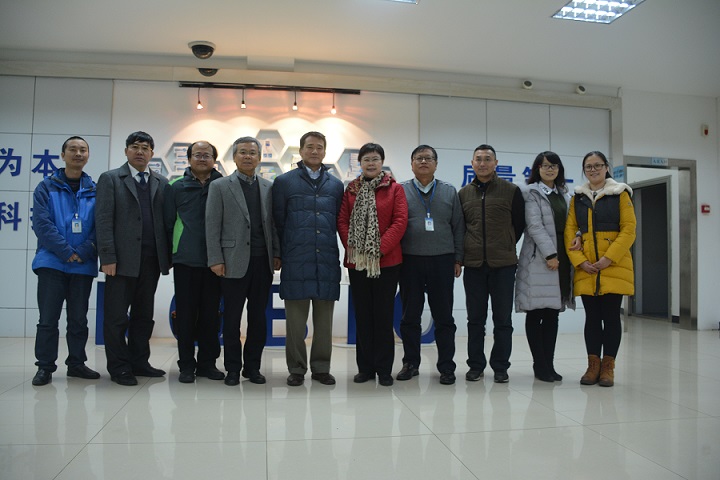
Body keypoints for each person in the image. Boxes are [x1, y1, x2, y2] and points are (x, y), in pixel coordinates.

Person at [96, 131, 171, 386]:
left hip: (150, 260)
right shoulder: (110, 179)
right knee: (117, 317)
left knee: (143, 316)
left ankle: (139, 362)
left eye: (145, 148)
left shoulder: (161, 181)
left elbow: (165, 223)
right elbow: (103, 220)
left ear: (152, 153)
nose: (140, 152)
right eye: (135, 147)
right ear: (126, 151)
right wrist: (107, 257)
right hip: (120, 261)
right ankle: (119, 367)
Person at [206, 136, 280, 386]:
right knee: (231, 319)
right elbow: (211, 225)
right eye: (243, 152)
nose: (248, 156)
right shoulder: (220, 186)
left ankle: (253, 368)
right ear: (234, 157)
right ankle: (232, 369)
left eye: (252, 153)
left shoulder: (268, 187)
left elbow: (273, 224)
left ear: (260, 157)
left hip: (262, 262)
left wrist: (276, 253)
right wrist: (215, 258)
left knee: (258, 318)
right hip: (231, 261)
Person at [272, 131, 344, 387]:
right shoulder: (284, 182)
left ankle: (322, 368)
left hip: (326, 260)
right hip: (296, 259)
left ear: (325, 151)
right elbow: (277, 221)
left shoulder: (336, 185)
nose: (315, 151)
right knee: (295, 322)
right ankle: (296, 368)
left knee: (324, 322)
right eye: (310, 147)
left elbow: (339, 222)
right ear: (301, 151)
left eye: (319, 147)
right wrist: (279, 254)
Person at [30, 136, 100, 386]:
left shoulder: (95, 189)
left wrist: (84, 250)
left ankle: (77, 363)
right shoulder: (45, 187)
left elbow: (101, 225)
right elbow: (41, 224)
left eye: (83, 150)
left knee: (79, 319)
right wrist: (64, 251)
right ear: (62, 155)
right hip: (52, 263)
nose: (78, 153)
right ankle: (45, 367)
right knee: (48, 319)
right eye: (73, 149)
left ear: (88, 156)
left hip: (82, 264)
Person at [338, 143, 408, 387]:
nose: (370, 163)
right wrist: (356, 248)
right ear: (360, 163)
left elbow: (400, 221)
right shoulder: (351, 190)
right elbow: (342, 220)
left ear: (382, 162)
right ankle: (365, 368)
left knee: (383, 316)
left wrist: (378, 249)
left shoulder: (395, 189)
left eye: (375, 159)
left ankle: (384, 369)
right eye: (366, 159)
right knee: (363, 315)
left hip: (386, 263)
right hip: (358, 263)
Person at [565, 151, 636, 387]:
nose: (593, 170)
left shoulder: (620, 194)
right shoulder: (578, 197)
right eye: (588, 166)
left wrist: (608, 258)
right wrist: (580, 261)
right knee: (592, 318)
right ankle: (592, 366)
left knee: (611, 317)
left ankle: (608, 367)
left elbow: (629, 230)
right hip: (587, 268)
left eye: (597, 165)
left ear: (606, 167)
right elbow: (570, 230)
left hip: (613, 266)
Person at [396, 145, 464, 385]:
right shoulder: (400, 190)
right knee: (410, 316)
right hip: (410, 260)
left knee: (444, 317)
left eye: (428, 158)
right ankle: (410, 363)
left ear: (436, 164)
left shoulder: (449, 191)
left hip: (442, 259)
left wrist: (458, 258)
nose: (423, 162)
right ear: (411, 164)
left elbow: (458, 226)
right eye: (419, 158)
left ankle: (446, 366)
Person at [459, 144, 525, 383]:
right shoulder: (463, 194)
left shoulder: (511, 190)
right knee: (475, 320)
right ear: (472, 164)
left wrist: (504, 244)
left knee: (502, 320)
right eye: (478, 159)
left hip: (503, 265)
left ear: (496, 163)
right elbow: (461, 227)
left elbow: (519, 224)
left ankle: (500, 367)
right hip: (474, 265)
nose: (483, 163)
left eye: (488, 159)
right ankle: (475, 365)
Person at [163, 141, 224, 384]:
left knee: (211, 316)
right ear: (189, 159)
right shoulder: (176, 186)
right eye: (197, 155)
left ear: (214, 160)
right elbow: (167, 223)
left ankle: (208, 364)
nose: (202, 158)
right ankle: (186, 365)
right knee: (186, 316)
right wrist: (169, 256)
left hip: (215, 262)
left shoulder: (223, 185)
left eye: (207, 155)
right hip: (185, 260)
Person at [515, 151, 574, 383]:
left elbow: (571, 224)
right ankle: (539, 365)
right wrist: (550, 254)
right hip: (540, 258)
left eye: (554, 166)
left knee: (552, 314)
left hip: (562, 258)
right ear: (537, 169)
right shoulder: (531, 192)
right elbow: (534, 226)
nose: (550, 169)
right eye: (545, 165)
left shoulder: (563, 194)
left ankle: (549, 364)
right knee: (536, 313)